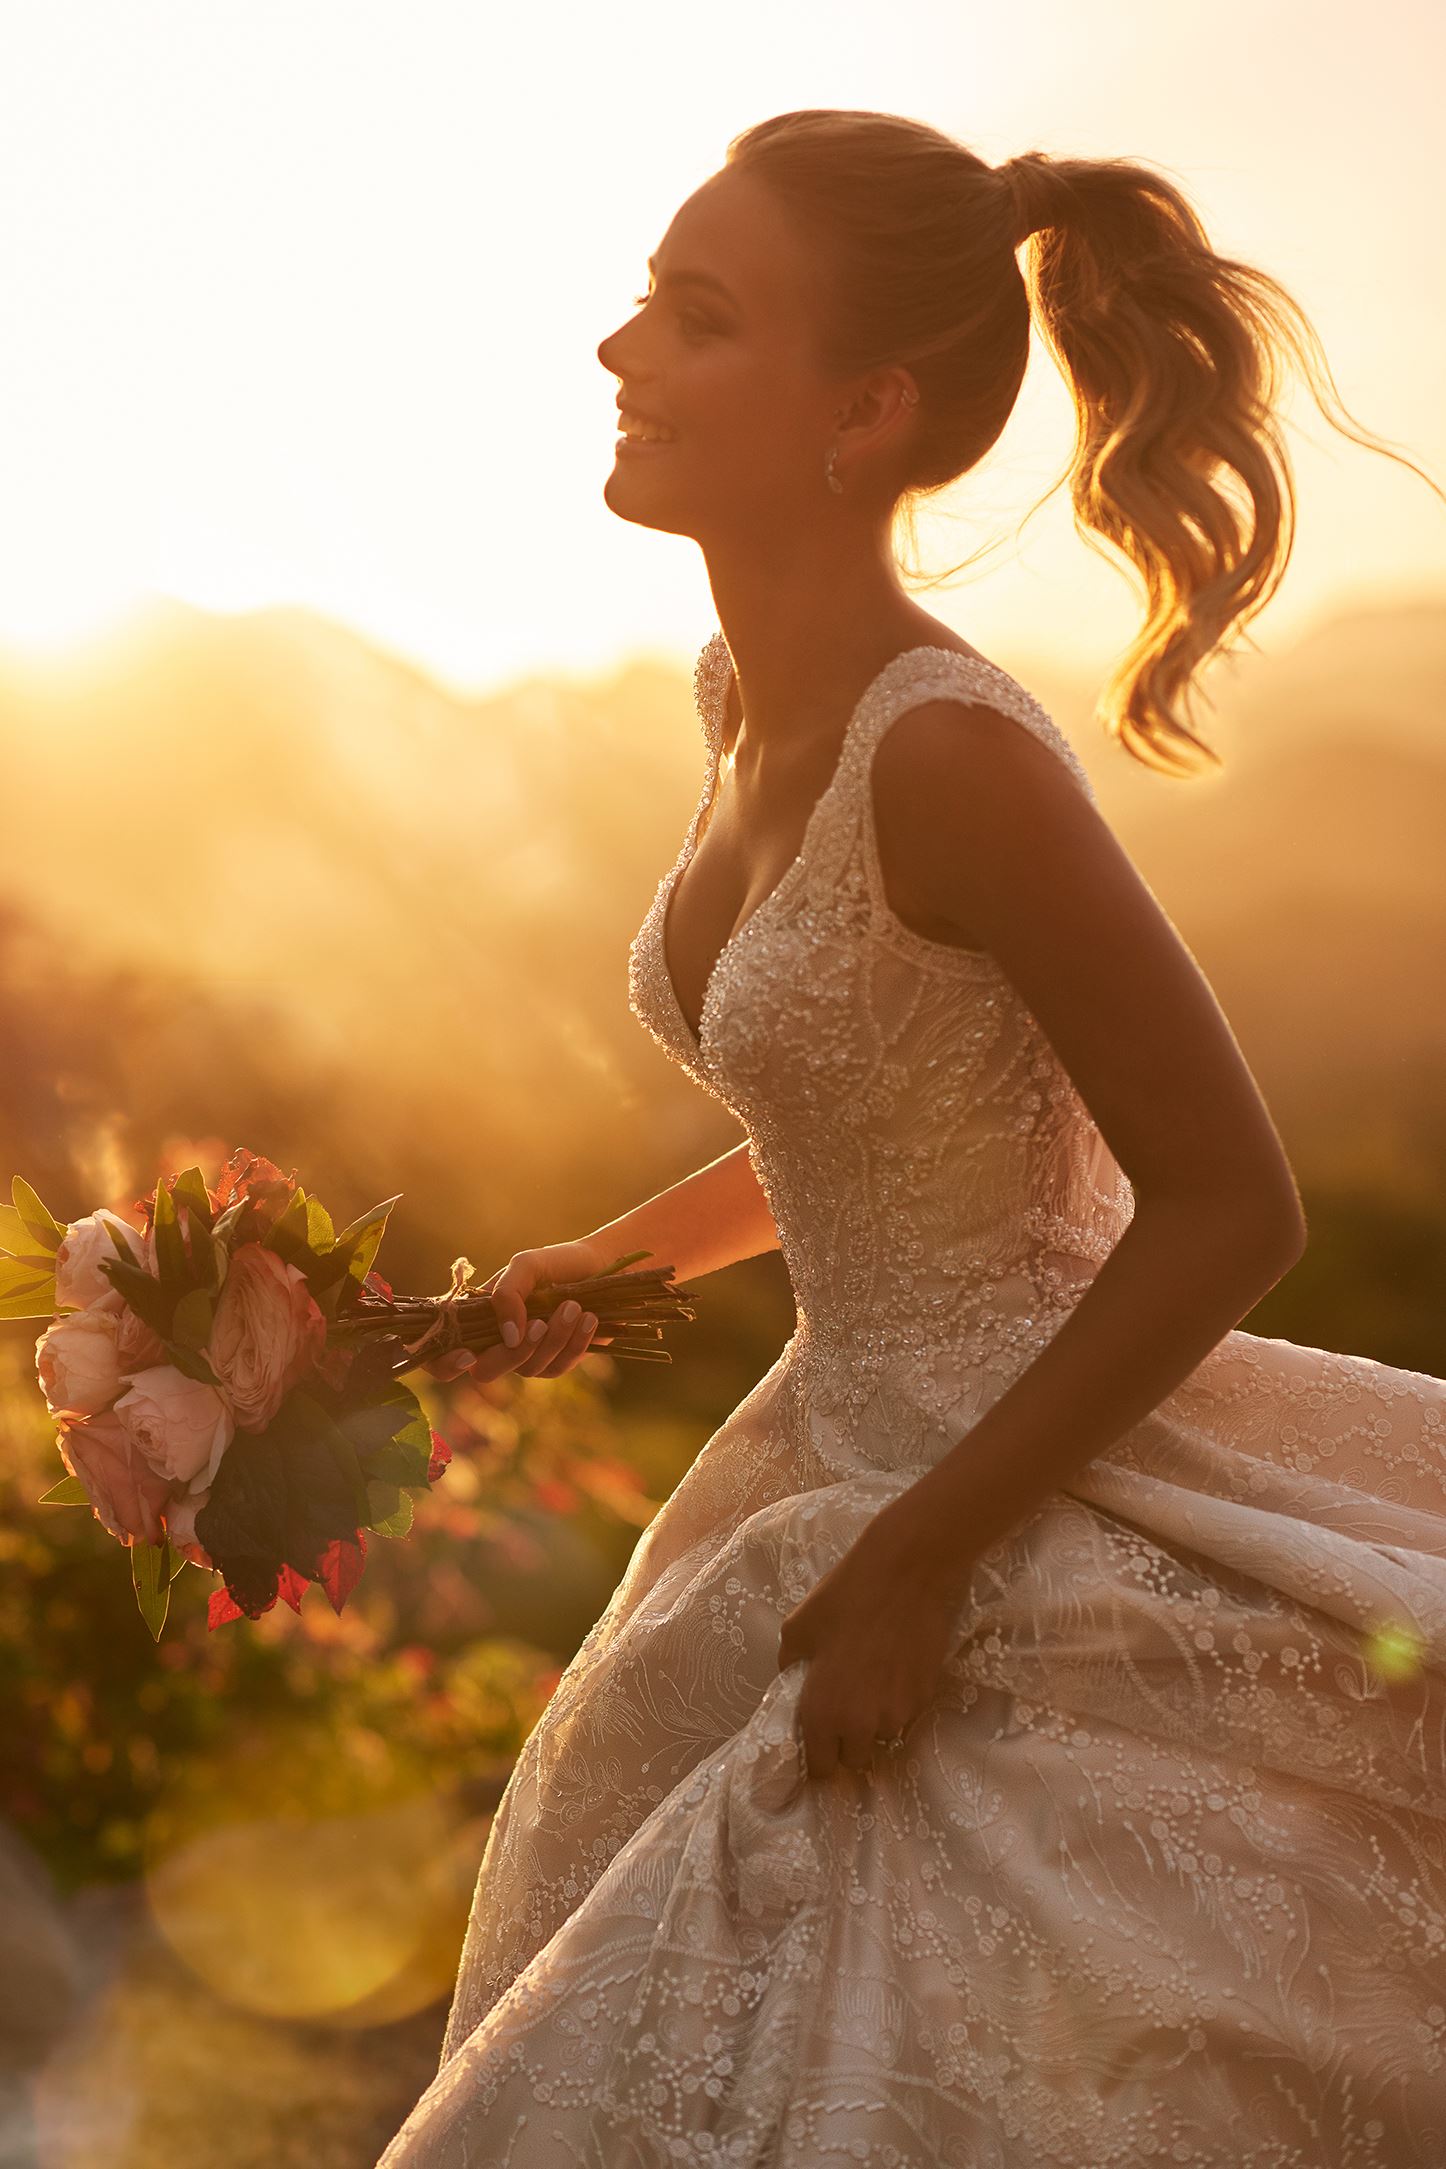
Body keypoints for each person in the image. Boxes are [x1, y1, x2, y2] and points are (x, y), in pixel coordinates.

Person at [378, 109, 1446, 2165]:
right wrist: (600, 1265)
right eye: (644, 300)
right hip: (817, 1454)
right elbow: (862, 1107)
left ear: (864, 411)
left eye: (697, 319)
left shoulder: (947, 754)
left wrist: (924, 1554)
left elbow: (1234, 1202)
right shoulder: (737, 690)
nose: (621, 350)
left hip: (1004, 1480)